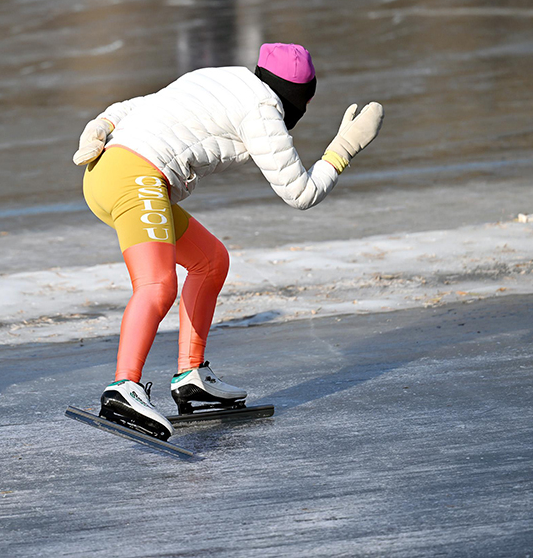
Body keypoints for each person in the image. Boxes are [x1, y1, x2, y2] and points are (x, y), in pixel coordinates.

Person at [72, 43, 383, 440]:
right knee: (157, 284)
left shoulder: (222, 76)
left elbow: (143, 103)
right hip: (136, 177)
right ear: (297, 101)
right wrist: (341, 151)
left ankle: (190, 377)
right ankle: (122, 388)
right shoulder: (264, 109)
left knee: (210, 260)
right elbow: (300, 193)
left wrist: (102, 122)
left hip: (109, 172)